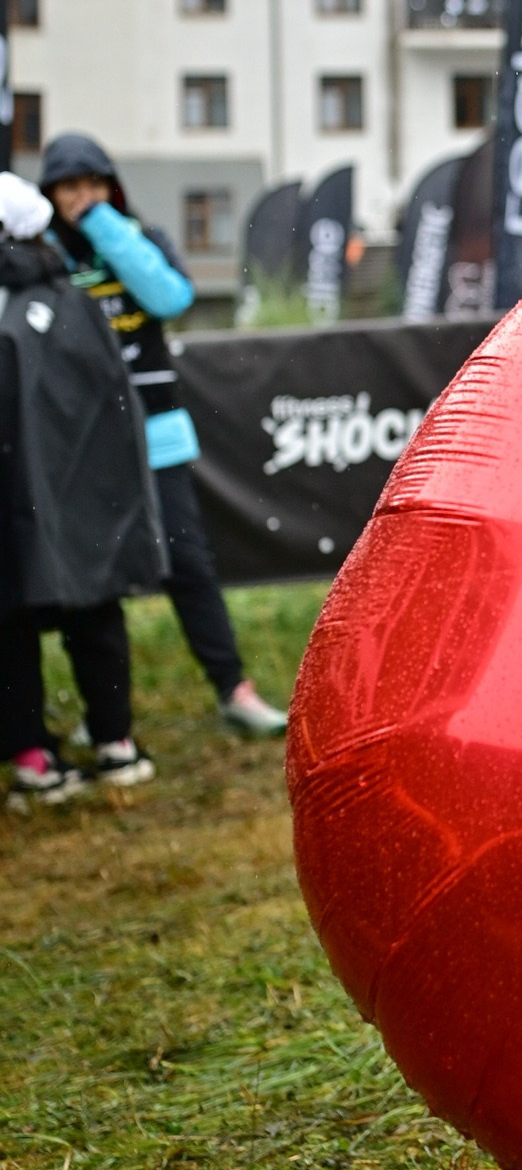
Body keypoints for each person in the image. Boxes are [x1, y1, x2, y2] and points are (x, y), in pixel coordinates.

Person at [38, 134, 288, 739]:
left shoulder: (140, 240)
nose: (83, 198)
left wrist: (107, 229)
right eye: (71, 189)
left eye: (94, 186)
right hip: (82, 447)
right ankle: (107, 718)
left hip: (157, 434)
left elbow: (170, 296)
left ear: (113, 187)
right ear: (49, 196)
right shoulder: (41, 256)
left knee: (189, 565)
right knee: (94, 586)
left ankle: (234, 690)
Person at [0, 169, 165, 796]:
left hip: (14, 502)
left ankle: (31, 759)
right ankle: (115, 743)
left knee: (9, 622)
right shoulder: (75, 300)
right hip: (86, 498)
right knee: (95, 611)